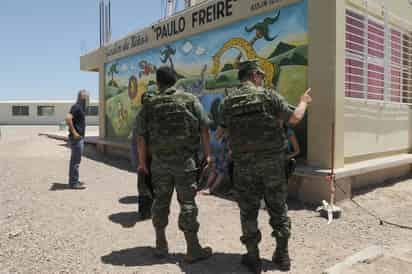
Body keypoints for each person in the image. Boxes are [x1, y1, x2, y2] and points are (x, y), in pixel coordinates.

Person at [220, 60, 311, 273]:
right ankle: (283, 256)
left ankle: (253, 258)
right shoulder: (269, 96)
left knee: (248, 212)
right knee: (278, 210)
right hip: (273, 166)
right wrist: (304, 101)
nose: (262, 79)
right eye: (260, 76)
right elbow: (296, 118)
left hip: (244, 168)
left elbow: (221, 131)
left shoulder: (228, 102)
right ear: (253, 76)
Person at [136, 66, 213, 263]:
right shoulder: (189, 99)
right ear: (175, 80)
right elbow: (204, 127)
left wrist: (142, 163)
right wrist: (208, 155)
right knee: (187, 203)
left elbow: (141, 137)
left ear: (158, 82)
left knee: (160, 202)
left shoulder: (150, 104)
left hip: (159, 164)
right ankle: (192, 249)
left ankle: (161, 246)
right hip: (185, 163)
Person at [130, 89, 157, 220]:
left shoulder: (142, 115)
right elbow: (139, 140)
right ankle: (146, 212)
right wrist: (141, 163)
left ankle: (148, 211)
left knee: (146, 185)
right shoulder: (144, 116)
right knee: (146, 185)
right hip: (145, 156)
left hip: (148, 156)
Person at [65, 90, 89, 189]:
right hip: (76, 139)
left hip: (79, 138)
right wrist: (75, 133)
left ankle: (75, 180)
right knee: (75, 161)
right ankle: (73, 183)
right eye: (87, 97)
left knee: (76, 160)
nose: (88, 99)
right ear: (82, 97)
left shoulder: (80, 107)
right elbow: (68, 118)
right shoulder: (76, 106)